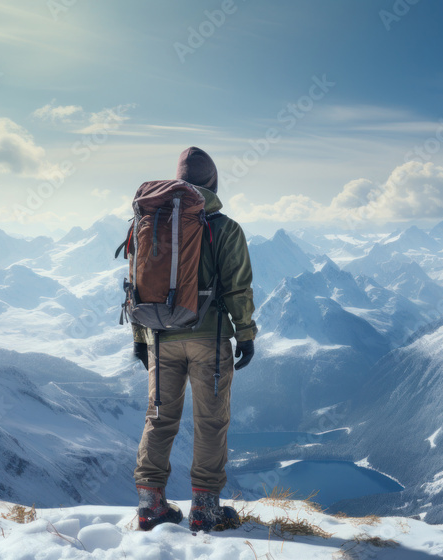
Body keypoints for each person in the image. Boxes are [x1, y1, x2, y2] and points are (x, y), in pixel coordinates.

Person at [132, 146, 257, 532]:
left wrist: (140, 338)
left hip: (161, 336)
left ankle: (150, 505)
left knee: (160, 418)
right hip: (209, 338)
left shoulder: (150, 222)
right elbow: (238, 288)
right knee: (210, 422)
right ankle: (205, 508)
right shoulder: (225, 228)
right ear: (213, 183)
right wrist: (246, 334)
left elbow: (138, 285)